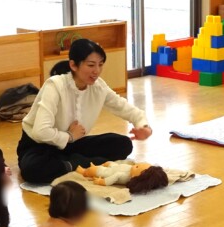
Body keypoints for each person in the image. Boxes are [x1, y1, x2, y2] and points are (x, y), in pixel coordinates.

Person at [18, 38, 152, 184]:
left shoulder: (99, 87)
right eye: (91, 65)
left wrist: (143, 125)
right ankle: (80, 163)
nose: (97, 71)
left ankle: (70, 163)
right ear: (73, 65)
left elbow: (124, 108)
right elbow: (40, 131)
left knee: (123, 144)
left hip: (73, 144)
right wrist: (69, 136)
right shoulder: (55, 85)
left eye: (100, 65)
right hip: (39, 146)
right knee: (32, 170)